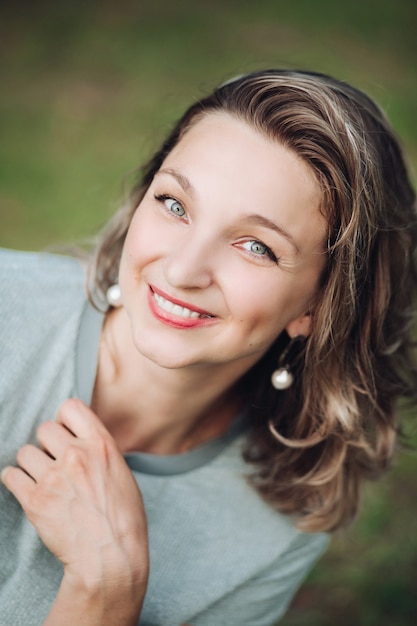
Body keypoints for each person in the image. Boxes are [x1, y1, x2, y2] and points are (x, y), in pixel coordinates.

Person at [1, 69, 416, 626]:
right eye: (175, 204)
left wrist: (107, 594)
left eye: (255, 246)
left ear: (318, 306)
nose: (182, 269)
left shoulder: (278, 527)